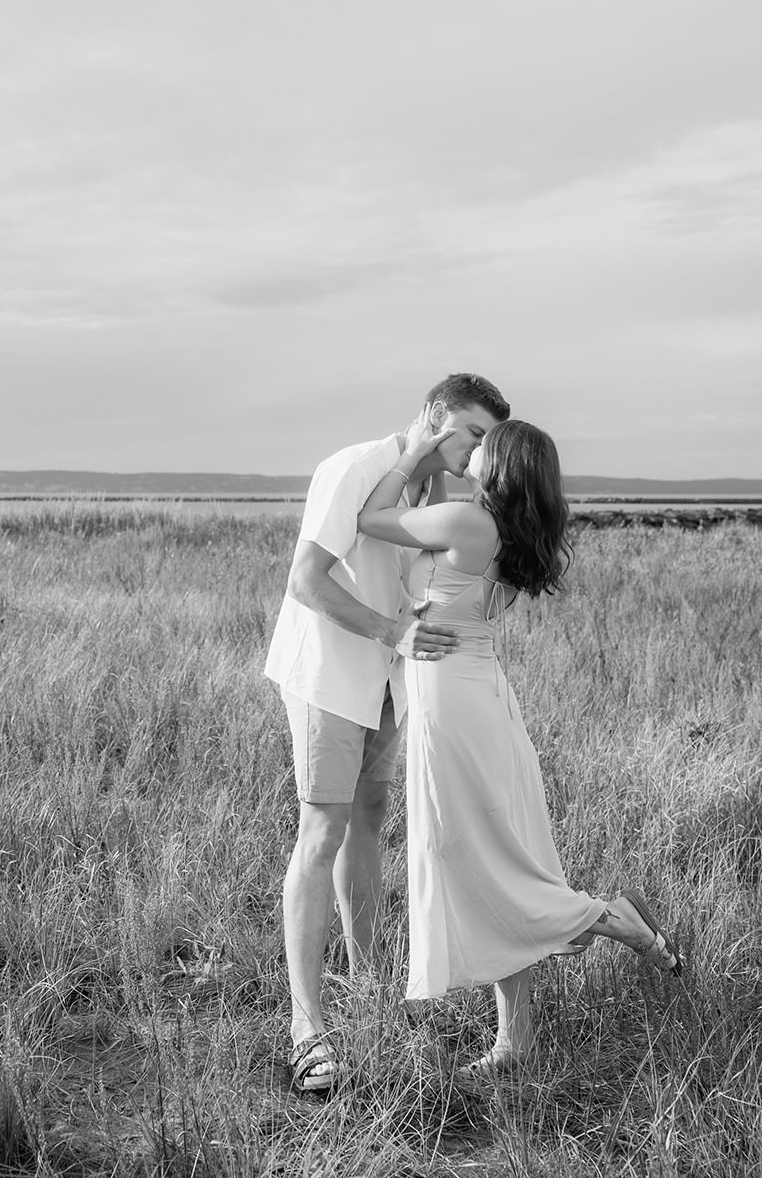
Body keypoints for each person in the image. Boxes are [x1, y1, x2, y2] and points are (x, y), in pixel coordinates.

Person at [356, 410, 681, 1081]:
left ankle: (610, 918)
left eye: (482, 445)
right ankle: (513, 1040)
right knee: (503, 853)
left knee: (474, 856)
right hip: (478, 697)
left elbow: (370, 518)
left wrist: (410, 456)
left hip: (453, 702)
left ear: (498, 465)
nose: (470, 449)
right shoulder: (494, 526)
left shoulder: (467, 523)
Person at [265, 374, 512, 1093]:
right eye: (469, 432)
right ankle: (306, 1028)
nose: (477, 449)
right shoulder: (353, 468)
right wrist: (392, 631)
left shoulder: (434, 492)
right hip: (329, 674)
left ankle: (367, 988)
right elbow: (305, 581)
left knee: (370, 819)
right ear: (435, 418)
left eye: (486, 439)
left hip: (384, 680)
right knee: (322, 831)